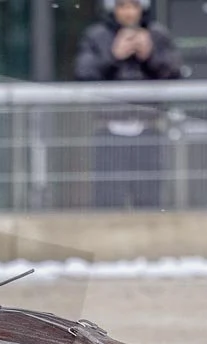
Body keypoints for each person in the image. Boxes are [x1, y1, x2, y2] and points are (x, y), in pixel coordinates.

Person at [74, 0, 182, 210]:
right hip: (109, 128)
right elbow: (83, 72)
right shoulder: (97, 35)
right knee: (108, 198)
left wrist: (149, 55)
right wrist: (113, 56)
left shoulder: (157, 34)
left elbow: (174, 72)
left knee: (149, 197)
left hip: (148, 128)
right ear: (113, 9)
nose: (128, 12)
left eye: (133, 6)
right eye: (122, 6)